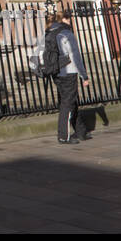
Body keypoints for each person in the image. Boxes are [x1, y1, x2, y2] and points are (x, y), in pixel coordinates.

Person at [35, 9, 91, 144]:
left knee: (70, 101)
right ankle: (63, 136)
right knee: (67, 103)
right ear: (64, 19)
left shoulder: (49, 33)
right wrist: (84, 76)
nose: (70, 20)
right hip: (68, 72)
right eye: (68, 18)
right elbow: (75, 56)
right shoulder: (66, 33)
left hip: (56, 72)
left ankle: (81, 131)